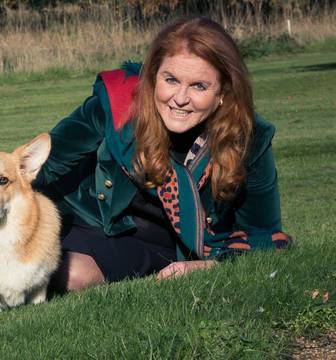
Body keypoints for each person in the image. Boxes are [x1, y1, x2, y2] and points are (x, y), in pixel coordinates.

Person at [33, 16, 291, 293]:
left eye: (199, 86)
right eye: (170, 80)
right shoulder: (116, 104)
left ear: (224, 93)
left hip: (160, 244)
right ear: (153, 77)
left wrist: (209, 265)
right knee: (29, 264)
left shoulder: (249, 138)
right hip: (85, 220)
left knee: (72, 274)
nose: (180, 98)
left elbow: (265, 236)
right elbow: (43, 166)